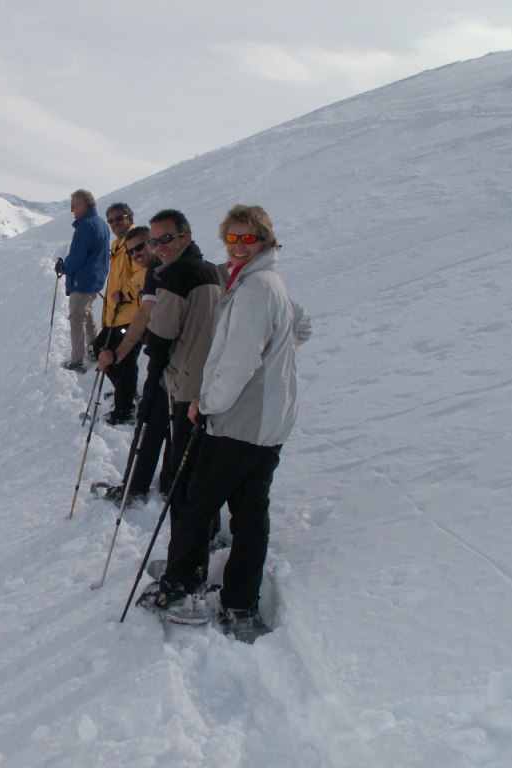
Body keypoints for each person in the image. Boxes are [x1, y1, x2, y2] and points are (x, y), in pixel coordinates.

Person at [140, 205, 312, 642]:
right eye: (231, 238)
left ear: (265, 240)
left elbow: (238, 361)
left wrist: (207, 403)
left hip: (240, 420)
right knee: (249, 513)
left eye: (247, 238)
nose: (237, 246)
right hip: (268, 421)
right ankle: (239, 602)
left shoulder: (255, 289)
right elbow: (303, 325)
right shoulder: (264, 282)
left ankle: (182, 587)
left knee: (198, 500)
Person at [142, 210, 222, 519]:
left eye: (166, 238)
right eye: (154, 241)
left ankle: (186, 542)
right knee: (203, 464)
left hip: (187, 384)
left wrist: (152, 350)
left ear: (186, 237)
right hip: (213, 382)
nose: (159, 247)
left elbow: (161, 335)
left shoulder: (175, 275)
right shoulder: (211, 270)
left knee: (183, 467)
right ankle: (207, 530)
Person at [97, 227, 170, 503]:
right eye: (131, 251)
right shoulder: (157, 270)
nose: (136, 253)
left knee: (150, 422)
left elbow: (144, 315)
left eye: (141, 247)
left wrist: (117, 354)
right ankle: (168, 483)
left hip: (168, 361)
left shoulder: (158, 271)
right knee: (169, 423)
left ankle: (135, 488)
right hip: (172, 360)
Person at [93, 203, 146, 424]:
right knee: (102, 349)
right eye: (111, 220)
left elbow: (143, 272)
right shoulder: (118, 247)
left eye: (119, 218)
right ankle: (126, 394)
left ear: (129, 218)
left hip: (131, 314)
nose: (115, 223)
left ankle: (124, 411)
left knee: (124, 362)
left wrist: (125, 294)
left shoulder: (135, 243)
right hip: (117, 315)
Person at [55, 190, 110, 372]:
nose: (71, 210)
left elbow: (77, 257)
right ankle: (94, 348)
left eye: (72, 206)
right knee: (87, 312)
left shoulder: (85, 226)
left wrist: (62, 268)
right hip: (95, 279)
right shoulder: (101, 223)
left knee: (77, 317)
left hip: (82, 280)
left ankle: (77, 361)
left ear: (82, 205)